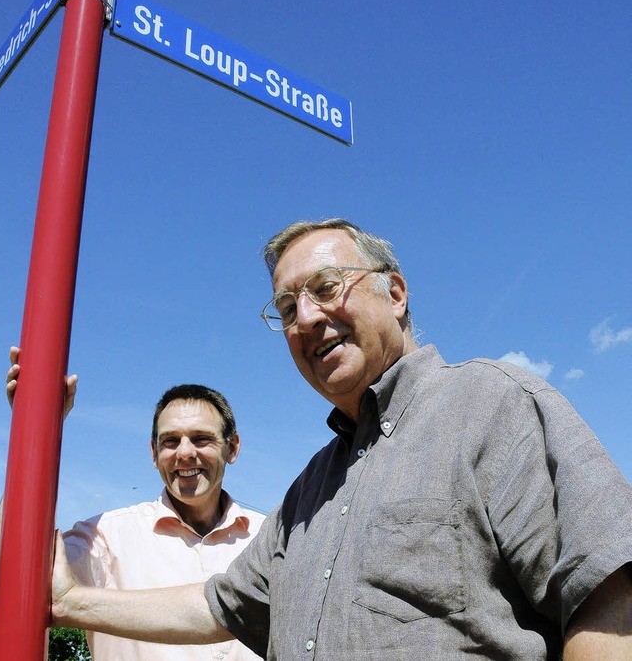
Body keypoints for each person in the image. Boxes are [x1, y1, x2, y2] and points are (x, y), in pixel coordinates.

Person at [50, 218, 632, 659]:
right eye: (286, 307)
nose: (304, 318)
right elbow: (217, 605)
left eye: (326, 287)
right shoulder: (308, 493)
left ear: (396, 294)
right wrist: (72, 603)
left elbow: (608, 602)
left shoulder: (493, 405)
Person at [6, 349, 265, 660]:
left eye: (201, 439)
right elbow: (8, 576)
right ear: (154, 454)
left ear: (232, 447)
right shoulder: (104, 536)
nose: (184, 453)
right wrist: (33, 427)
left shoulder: (270, 537)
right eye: (170, 441)